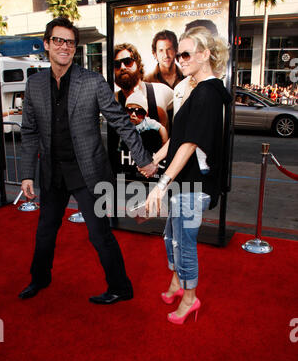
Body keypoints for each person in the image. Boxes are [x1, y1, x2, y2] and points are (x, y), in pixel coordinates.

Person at [19, 17, 157, 305]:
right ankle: (40, 278)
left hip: (88, 174)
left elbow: (121, 121)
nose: (64, 46)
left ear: (75, 48)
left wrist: (143, 159)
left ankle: (121, 288)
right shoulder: (34, 85)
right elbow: (30, 131)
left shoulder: (92, 82)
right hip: (52, 173)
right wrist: (27, 173)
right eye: (58, 40)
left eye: (69, 42)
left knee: (99, 234)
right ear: (46, 44)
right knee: (45, 231)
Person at [141, 26, 232, 324]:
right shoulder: (196, 89)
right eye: (178, 54)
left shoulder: (208, 94)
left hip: (197, 184)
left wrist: (161, 185)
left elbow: (191, 144)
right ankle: (176, 284)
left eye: (186, 53)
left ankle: (191, 298)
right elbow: (179, 137)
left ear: (206, 54)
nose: (179, 59)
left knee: (184, 241)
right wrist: (154, 160)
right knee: (172, 236)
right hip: (185, 181)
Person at [114, 43, 173, 130]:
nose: (122, 67)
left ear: (138, 64)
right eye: (117, 64)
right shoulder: (113, 101)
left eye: (127, 62)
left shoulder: (161, 91)